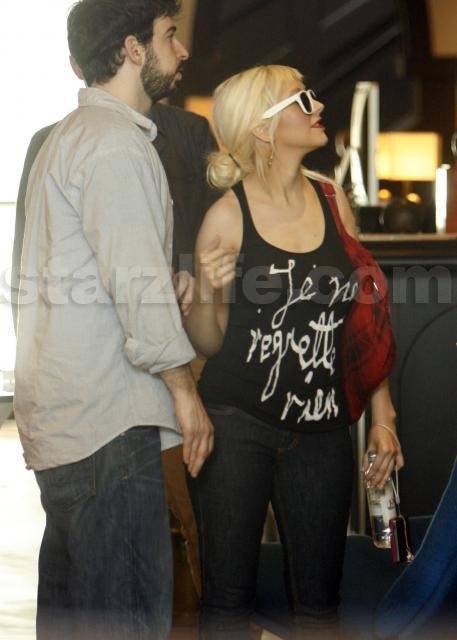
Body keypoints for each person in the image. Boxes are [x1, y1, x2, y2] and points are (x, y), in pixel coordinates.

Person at [13, 1, 214, 638]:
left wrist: (158, 278)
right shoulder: (115, 145)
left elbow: (88, 273)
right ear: (132, 48)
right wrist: (185, 393)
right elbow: (136, 287)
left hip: (69, 419)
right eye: (169, 36)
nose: (181, 50)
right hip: (108, 423)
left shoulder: (70, 138)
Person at [185, 64, 404, 640]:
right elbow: (207, 342)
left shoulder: (331, 200)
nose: (317, 105)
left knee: (319, 606)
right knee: (227, 604)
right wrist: (207, 289)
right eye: (300, 100)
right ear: (263, 129)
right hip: (237, 424)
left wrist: (384, 417)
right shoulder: (227, 216)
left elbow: (365, 322)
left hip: (323, 431)